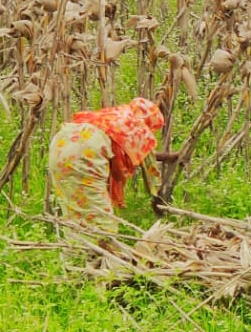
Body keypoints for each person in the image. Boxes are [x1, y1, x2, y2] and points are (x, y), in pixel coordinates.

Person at [47, 97, 172, 234]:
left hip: (60, 145)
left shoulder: (113, 115)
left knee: (72, 206)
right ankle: (99, 249)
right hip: (86, 154)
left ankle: (75, 249)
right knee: (100, 218)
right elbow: (149, 165)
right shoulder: (138, 127)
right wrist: (157, 195)